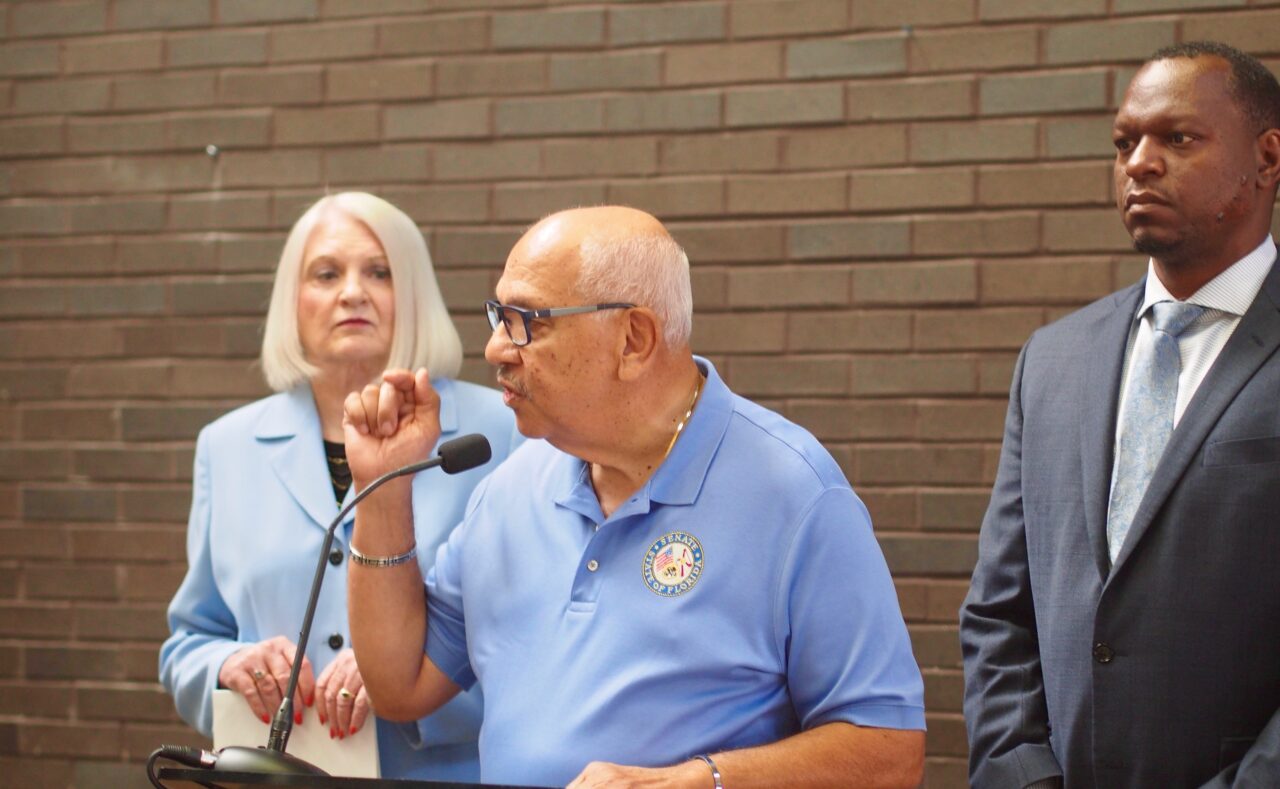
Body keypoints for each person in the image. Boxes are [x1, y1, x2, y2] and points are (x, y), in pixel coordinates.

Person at [340, 205, 925, 788]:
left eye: (528, 322)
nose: (495, 349)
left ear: (633, 339)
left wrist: (699, 783)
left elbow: (890, 753)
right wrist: (382, 490)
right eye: (499, 316)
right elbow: (401, 686)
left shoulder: (795, 493)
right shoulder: (511, 487)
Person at [960, 41, 1280, 788]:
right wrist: (1022, 773)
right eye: (1123, 142)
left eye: (1177, 138)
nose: (1139, 161)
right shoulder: (1054, 358)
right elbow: (1000, 614)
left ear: (1268, 158)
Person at [159, 192, 520, 781]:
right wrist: (227, 664)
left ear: (414, 294)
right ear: (291, 303)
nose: (352, 291)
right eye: (326, 274)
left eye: (378, 272)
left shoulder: (502, 433)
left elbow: (538, 641)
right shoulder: (225, 446)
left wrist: (403, 677)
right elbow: (188, 643)